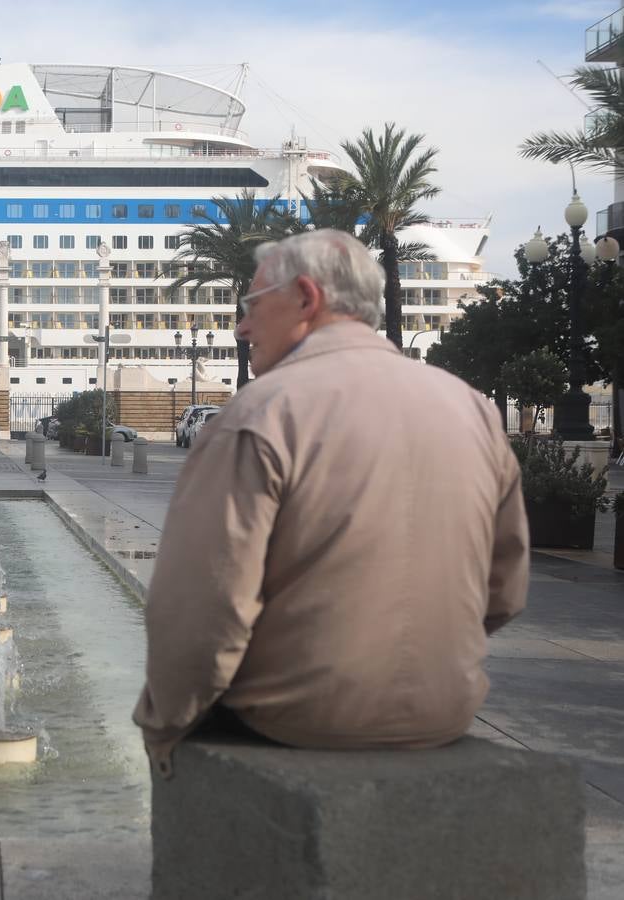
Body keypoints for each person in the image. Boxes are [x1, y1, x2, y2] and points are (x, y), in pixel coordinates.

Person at [134, 229, 529, 778]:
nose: (242, 325)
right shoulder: (473, 409)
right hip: (447, 712)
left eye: (251, 305)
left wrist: (164, 726)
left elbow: (202, 611)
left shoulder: (261, 413)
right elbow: (505, 590)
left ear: (305, 297)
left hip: (296, 719)